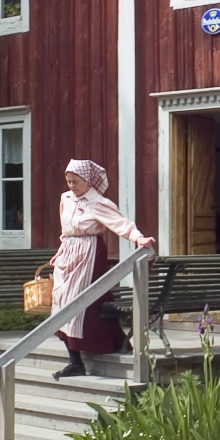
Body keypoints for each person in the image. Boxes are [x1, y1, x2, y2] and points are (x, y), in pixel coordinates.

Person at [48, 159, 155, 379]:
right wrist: (61, 250)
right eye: (68, 181)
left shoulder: (97, 202)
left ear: (87, 181)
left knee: (77, 302)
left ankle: (81, 357)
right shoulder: (65, 199)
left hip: (88, 252)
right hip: (68, 251)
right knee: (60, 302)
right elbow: (65, 228)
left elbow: (120, 223)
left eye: (75, 182)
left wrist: (138, 238)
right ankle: (75, 360)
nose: (71, 186)